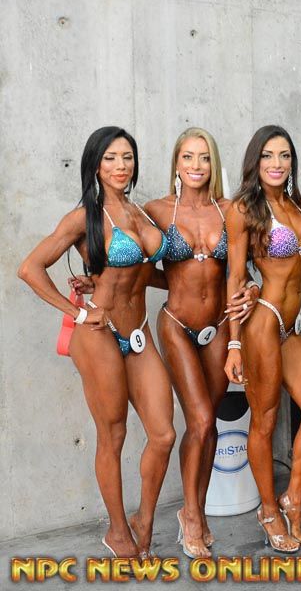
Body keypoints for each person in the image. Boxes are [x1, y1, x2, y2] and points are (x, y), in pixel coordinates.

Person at [18, 127, 176, 558]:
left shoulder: (141, 213)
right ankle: (118, 530)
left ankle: (144, 518)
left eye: (127, 157)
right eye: (110, 158)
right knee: (114, 434)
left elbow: (144, 273)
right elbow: (30, 268)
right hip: (98, 335)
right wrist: (79, 312)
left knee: (163, 434)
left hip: (138, 331)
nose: (120, 166)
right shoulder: (83, 216)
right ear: (95, 165)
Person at [143, 128, 256, 558]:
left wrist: (252, 293)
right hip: (177, 324)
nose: (196, 165)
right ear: (176, 162)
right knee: (203, 420)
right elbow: (133, 265)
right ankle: (191, 514)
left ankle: (197, 510)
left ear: (214, 163)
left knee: (205, 427)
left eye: (204, 158)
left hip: (220, 326)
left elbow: (241, 272)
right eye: (188, 157)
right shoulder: (156, 210)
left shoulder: (230, 210)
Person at [223, 125, 301, 553]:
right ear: (256, 161)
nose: (277, 163)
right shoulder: (244, 209)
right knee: (264, 421)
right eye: (268, 155)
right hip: (263, 322)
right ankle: (269, 511)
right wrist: (234, 343)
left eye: (284, 155)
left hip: (291, 327)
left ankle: (294, 498)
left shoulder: (295, 204)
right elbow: (236, 277)